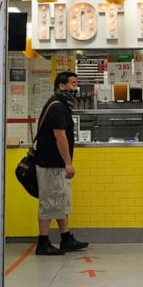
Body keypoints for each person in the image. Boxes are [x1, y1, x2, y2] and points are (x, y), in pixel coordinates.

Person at [34, 71, 88, 256]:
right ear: (62, 86)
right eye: (73, 84)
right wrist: (68, 163)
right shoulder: (57, 106)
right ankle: (43, 243)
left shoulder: (62, 105)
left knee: (61, 202)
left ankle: (66, 238)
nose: (76, 88)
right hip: (52, 164)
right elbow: (60, 136)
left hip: (56, 165)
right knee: (49, 203)